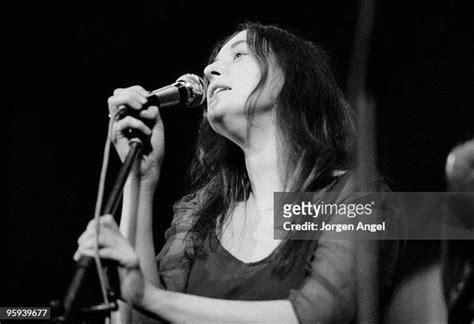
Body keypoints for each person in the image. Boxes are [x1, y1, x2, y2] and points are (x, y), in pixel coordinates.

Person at [75, 22, 400, 323]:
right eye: (214, 62)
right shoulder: (201, 212)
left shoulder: (363, 196)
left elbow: (319, 313)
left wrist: (148, 297)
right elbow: (144, 317)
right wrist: (141, 180)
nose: (209, 70)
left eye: (239, 55)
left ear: (290, 78)